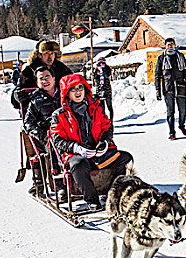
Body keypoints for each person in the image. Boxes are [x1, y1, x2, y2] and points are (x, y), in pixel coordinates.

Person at [50, 74, 133, 210]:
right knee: (79, 164)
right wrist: (76, 148)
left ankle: (113, 193)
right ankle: (92, 200)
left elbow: (107, 127)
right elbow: (57, 140)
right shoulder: (59, 115)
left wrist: (104, 142)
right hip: (75, 154)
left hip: (98, 153)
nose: (78, 92)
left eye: (80, 88)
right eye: (73, 89)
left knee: (125, 158)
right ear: (66, 93)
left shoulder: (96, 108)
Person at [24, 66, 63, 195]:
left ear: (53, 78)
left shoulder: (65, 94)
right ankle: (59, 185)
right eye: (41, 79)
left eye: (47, 77)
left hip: (67, 131)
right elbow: (28, 123)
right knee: (54, 150)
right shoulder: (35, 101)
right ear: (37, 82)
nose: (45, 81)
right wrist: (42, 135)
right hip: (48, 136)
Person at [13, 40, 72, 113]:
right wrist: (18, 95)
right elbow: (17, 93)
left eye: (52, 53)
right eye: (46, 53)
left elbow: (73, 84)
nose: (50, 57)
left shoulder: (62, 69)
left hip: (60, 111)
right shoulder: (29, 71)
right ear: (39, 55)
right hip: (36, 113)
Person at [155, 37, 186, 140]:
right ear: (165, 46)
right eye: (168, 45)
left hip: (180, 86)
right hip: (168, 88)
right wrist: (158, 90)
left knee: (183, 110)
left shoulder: (180, 56)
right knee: (170, 111)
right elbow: (158, 75)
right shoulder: (161, 58)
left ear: (175, 45)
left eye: (172, 44)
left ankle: (181, 125)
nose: (170, 46)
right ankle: (172, 132)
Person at [93, 57, 114, 128]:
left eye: (102, 63)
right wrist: (98, 71)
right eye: (100, 63)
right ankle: (103, 121)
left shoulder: (107, 68)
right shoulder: (96, 70)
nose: (101, 65)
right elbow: (95, 78)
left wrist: (104, 70)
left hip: (107, 89)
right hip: (100, 90)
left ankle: (111, 121)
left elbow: (107, 75)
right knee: (101, 108)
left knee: (109, 106)